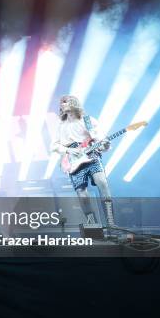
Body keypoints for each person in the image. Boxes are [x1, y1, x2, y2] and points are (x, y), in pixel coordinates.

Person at [51, 95, 115, 227]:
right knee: (82, 193)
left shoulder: (88, 120)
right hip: (73, 161)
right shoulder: (61, 125)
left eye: (65, 102)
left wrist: (105, 145)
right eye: (61, 103)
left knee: (102, 182)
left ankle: (110, 221)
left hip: (91, 155)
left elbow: (100, 139)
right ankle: (92, 223)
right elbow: (54, 146)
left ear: (74, 103)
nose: (62, 105)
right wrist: (69, 150)